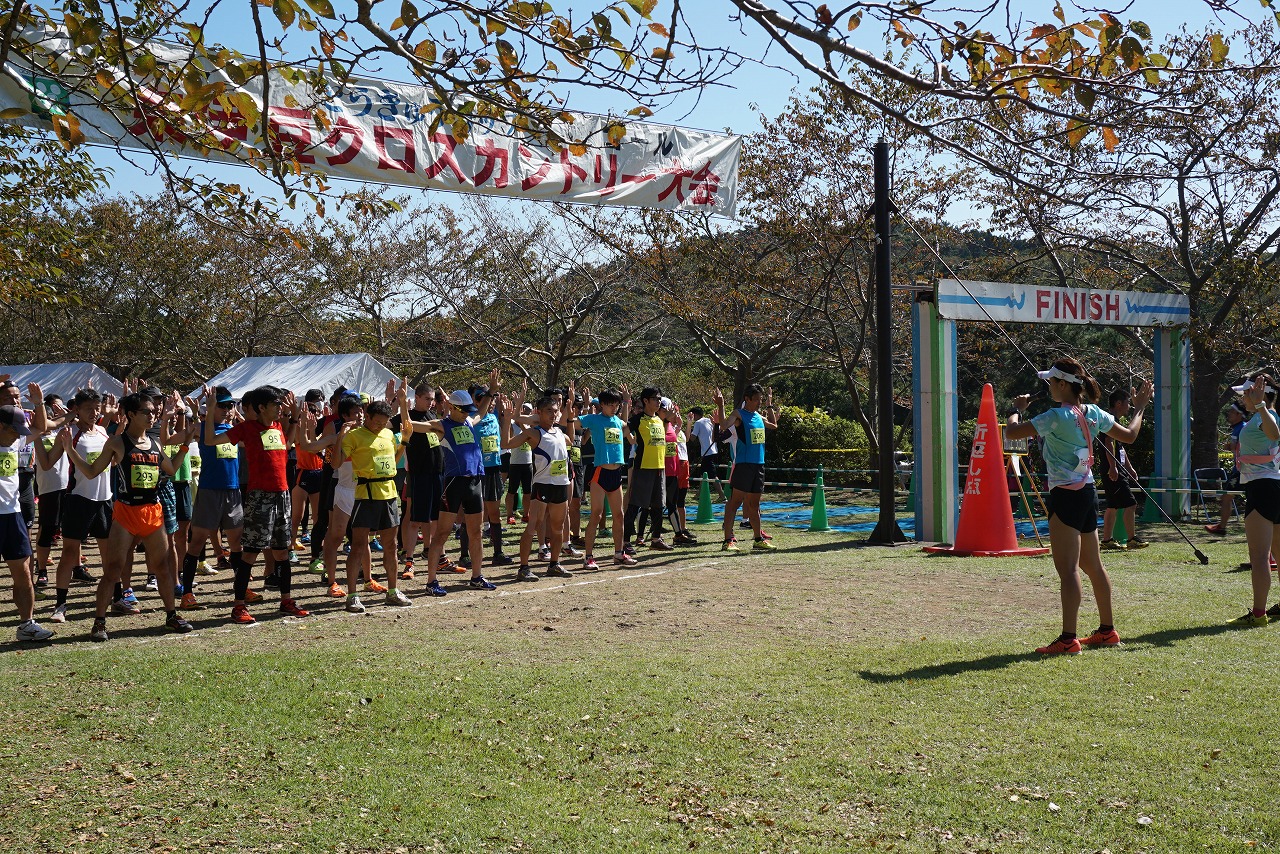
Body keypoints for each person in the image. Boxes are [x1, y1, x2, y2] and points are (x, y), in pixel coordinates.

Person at [1006, 359, 1153, 654]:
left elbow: (1012, 433)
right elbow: (1130, 435)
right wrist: (1139, 408)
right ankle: (1107, 631)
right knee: (1092, 566)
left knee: (1068, 570)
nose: (1048, 387)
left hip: (1065, 496)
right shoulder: (1093, 412)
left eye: (1051, 382)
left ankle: (1068, 639)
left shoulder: (1055, 416)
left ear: (1063, 384)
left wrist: (1016, 410)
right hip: (1087, 492)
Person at [61, 392, 195, 642]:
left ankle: (172, 615)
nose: (152, 415)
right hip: (126, 512)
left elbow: (171, 469)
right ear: (131, 414)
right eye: (147, 412)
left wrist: (185, 445)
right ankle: (99, 622)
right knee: (113, 569)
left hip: (152, 512)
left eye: (154, 412)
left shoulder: (155, 444)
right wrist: (70, 450)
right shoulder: (117, 443)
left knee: (163, 567)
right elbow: (91, 471)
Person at [203, 385, 309, 624]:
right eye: (275, 404)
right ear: (261, 407)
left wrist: (294, 419)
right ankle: (239, 606)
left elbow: (287, 446)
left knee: (282, 551)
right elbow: (210, 440)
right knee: (250, 553)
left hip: (282, 495)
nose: (279, 408)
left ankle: (286, 601)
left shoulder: (278, 427)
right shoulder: (246, 428)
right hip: (260, 497)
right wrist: (209, 412)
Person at [421, 373, 502, 595]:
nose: (468, 413)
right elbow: (415, 425)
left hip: (475, 481)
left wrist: (491, 391)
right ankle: (431, 582)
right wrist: (401, 405)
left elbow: (482, 411)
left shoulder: (468, 421)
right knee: (442, 534)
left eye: (469, 410)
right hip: (453, 483)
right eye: (464, 410)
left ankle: (477, 576)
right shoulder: (442, 425)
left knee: (476, 532)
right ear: (452, 407)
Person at [342, 384, 414, 612]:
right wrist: (339, 438)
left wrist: (404, 441)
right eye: (377, 422)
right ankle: (352, 595)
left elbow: (394, 459)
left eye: (384, 423)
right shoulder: (354, 436)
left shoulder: (388, 434)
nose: (380, 426)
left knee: (391, 545)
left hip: (389, 494)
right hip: (365, 495)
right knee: (358, 545)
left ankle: (393, 591)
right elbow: (335, 463)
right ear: (367, 417)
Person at [47, 389, 109, 622]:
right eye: (88, 409)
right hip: (78, 499)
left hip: (104, 499)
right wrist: (39, 443)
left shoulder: (102, 432)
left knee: (109, 554)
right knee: (69, 553)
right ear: (77, 410)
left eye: (97, 408)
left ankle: (118, 596)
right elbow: (48, 462)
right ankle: (60, 605)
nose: (94, 413)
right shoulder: (69, 433)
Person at [502, 392, 575, 580]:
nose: (553, 414)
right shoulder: (533, 433)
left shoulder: (559, 432)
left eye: (555, 411)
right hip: (542, 485)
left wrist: (570, 418)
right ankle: (523, 568)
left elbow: (571, 440)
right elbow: (506, 444)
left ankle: (554, 564)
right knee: (533, 526)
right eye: (548, 411)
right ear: (539, 413)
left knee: (558, 528)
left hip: (560, 485)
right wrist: (507, 421)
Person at [0, 391, 55, 641]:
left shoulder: (16, 440)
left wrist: (39, 403)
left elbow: (41, 428)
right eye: (14, 430)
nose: (18, 436)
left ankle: (26, 625)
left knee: (23, 572)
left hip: (13, 516)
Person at [182, 386, 243, 611]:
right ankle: (187, 593)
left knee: (236, 543)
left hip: (233, 491)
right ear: (211, 407)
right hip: (208, 490)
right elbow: (170, 439)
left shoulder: (234, 429)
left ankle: (242, 587)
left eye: (230, 405)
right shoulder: (200, 427)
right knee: (197, 542)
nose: (227, 410)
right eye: (222, 406)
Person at [1227, 375, 1280, 626]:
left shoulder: (1265, 416)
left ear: (1260, 392)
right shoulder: (1264, 415)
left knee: (1259, 556)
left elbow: (1274, 434)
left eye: (1245, 393)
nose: (1242, 399)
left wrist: (1260, 406)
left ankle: (1258, 614)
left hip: (1263, 488)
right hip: (1273, 486)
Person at [574, 388, 636, 569]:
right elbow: (572, 422)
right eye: (610, 405)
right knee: (596, 514)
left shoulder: (618, 421)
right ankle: (588, 557)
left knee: (619, 515)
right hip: (600, 472)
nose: (614, 408)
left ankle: (619, 553)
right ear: (601, 405)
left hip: (616, 474)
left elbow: (628, 432)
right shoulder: (594, 419)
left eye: (616, 405)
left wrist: (626, 403)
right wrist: (575, 407)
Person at [713, 384, 778, 551]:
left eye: (760, 399)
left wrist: (769, 405)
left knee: (754, 505)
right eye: (756, 399)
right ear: (747, 399)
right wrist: (721, 405)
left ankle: (758, 539)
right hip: (743, 465)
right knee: (734, 503)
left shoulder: (758, 416)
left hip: (758, 465)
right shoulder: (738, 414)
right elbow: (723, 425)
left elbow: (773, 424)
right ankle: (728, 540)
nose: (758, 402)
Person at [1098, 389, 1149, 551]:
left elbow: (1119, 447)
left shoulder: (1115, 421)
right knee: (1131, 504)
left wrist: (1130, 468)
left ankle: (1107, 540)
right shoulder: (1110, 420)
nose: (1129, 406)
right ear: (1118, 403)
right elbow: (1108, 443)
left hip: (1116, 469)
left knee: (1112, 506)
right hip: (1113, 470)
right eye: (1127, 403)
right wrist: (1113, 467)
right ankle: (1131, 538)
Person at [623, 387, 673, 553]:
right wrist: (625, 403)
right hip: (643, 468)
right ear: (645, 401)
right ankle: (625, 542)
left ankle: (656, 539)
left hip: (659, 468)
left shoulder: (659, 419)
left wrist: (668, 420)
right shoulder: (637, 419)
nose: (659, 401)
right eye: (655, 398)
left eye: (660, 399)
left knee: (658, 506)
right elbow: (623, 430)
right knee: (635, 505)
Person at [31, 393, 70, 588]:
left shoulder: (61, 432)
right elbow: (45, 464)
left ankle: (76, 567)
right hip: (48, 489)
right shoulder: (36, 437)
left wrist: (69, 415)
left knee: (69, 530)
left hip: (68, 487)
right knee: (47, 529)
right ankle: (42, 570)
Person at [1206, 401, 1249, 535]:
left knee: (1226, 497)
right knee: (1227, 497)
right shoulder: (1241, 427)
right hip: (1242, 469)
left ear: (1239, 414)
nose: (1228, 414)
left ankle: (1222, 527)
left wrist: (1230, 446)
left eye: (1231, 411)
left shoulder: (1242, 428)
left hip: (1242, 470)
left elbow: (1239, 447)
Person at [689, 406, 726, 501]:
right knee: (703, 473)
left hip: (707, 452)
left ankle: (722, 496)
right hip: (713, 450)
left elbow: (692, 438)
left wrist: (688, 427)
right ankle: (699, 494)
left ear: (695, 415)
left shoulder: (698, 423)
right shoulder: (709, 421)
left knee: (712, 475)